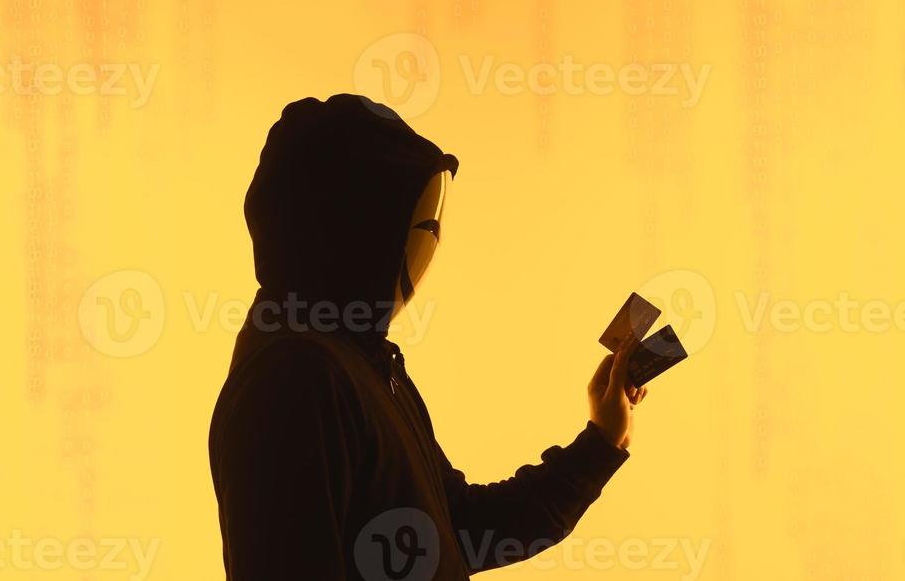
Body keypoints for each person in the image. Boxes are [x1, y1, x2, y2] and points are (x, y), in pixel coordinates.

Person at [209, 93, 647, 579]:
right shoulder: (296, 378)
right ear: (353, 227)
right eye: (413, 228)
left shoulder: (359, 364)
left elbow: (460, 531)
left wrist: (602, 441)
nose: (422, 253)